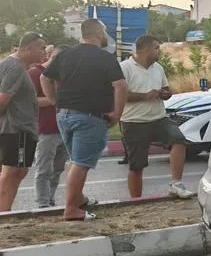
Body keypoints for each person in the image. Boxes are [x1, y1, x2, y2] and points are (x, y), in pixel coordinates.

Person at [40, 18, 127, 221]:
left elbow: (45, 77)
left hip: (64, 115)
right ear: (98, 33)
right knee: (80, 163)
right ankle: (71, 209)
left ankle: (78, 198)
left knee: (75, 160)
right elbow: (121, 86)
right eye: (105, 31)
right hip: (89, 117)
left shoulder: (66, 54)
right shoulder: (104, 57)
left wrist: (55, 101)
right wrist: (117, 114)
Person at [119, 35, 194, 199]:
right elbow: (120, 95)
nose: (159, 51)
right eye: (156, 48)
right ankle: (136, 201)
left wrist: (165, 93)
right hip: (134, 121)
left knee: (179, 139)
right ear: (145, 49)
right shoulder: (125, 67)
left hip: (159, 118)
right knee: (137, 166)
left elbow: (166, 89)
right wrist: (145, 96)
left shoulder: (158, 68)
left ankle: (176, 184)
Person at [0, 32, 46, 211]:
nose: (44, 52)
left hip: (20, 129)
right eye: (41, 48)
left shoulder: (15, 65)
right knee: (12, 172)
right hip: (16, 129)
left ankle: (5, 210)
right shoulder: (15, 67)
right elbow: (3, 99)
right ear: (27, 48)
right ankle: (4, 215)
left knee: (19, 170)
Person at [30, 44, 68, 208]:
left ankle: (50, 199)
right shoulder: (35, 73)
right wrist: (55, 99)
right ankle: (42, 204)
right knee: (44, 169)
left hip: (64, 128)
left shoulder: (64, 75)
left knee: (58, 169)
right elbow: (30, 102)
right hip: (45, 129)